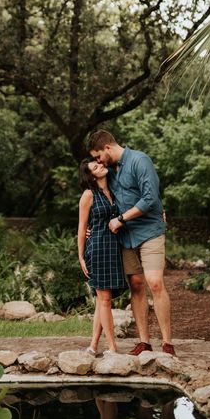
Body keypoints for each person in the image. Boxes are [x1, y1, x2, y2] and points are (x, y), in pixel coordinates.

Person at [87, 130, 175, 357]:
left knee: (155, 282)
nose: (97, 161)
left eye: (98, 156)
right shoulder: (110, 172)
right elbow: (103, 199)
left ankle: (167, 343)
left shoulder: (139, 160)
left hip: (149, 232)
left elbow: (150, 197)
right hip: (126, 237)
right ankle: (144, 342)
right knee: (136, 285)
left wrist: (121, 219)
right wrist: (92, 225)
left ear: (107, 148)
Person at [78, 157, 128, 356]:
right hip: (97, 249)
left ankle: (93, 345)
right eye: (95, 167)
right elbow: (82, 227)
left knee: (102, 300)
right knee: (105, 299)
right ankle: (112, 348)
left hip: (113, 248)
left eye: (99, 164)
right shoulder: (89, 195)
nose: (100, 166)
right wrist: (81, 256)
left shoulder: (114, 190)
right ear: (91, 176)